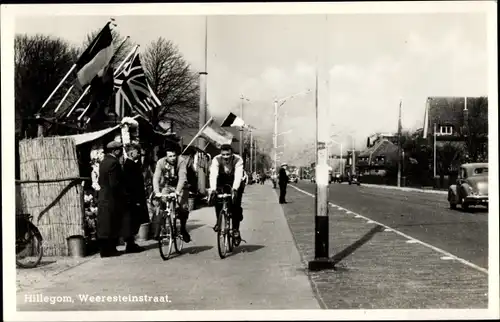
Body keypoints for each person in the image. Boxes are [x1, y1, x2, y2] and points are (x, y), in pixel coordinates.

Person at [152, 145, 191, 243]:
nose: (173, 158)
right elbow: (156, 178)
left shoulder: (181, 161)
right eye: (170, 156)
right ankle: (161, 228)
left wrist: (177, 192)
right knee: (162, 204)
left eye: (174, 155)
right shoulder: (161, 162)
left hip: (181, 186)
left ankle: (183, 228)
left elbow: (182, 178)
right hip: (167, 185)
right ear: (166, 157)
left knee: (183, 207)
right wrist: (157, 192)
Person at [208, 144, 245, 246]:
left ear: (232, 153)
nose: (225, 157)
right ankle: (218, 221)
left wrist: (234, 189)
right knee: (217, 200)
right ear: (220, 153)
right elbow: (213, 174)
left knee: (235, 205)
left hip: (234, 181)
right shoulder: (216, 159)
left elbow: (238, 175)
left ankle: (236, 229)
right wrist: (213, 189)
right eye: (223, 154)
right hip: (222, 181)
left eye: (228, 154)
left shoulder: (238, 159)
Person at [97, 141, 125, 258]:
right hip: (111, 197)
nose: (122, 151)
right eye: (120, 149)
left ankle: (105, 250)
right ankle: (110, 250)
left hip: (103, 195)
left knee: (104, 223)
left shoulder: (103, 162)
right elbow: (114, 183)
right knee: (111, 223)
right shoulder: (114, 163)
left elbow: (100, 181)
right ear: (115, 151)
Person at [121, 143, 149, 253]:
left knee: (134, 221)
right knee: (132, 220)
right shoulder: (129, 166)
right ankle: (130, 244)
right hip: (134, 199)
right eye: (137, 152)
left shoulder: (132, 164)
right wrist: (136, 200)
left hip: (135, 198)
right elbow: (132, 185)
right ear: (131, 153)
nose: (139, 154)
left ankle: (131, 243)